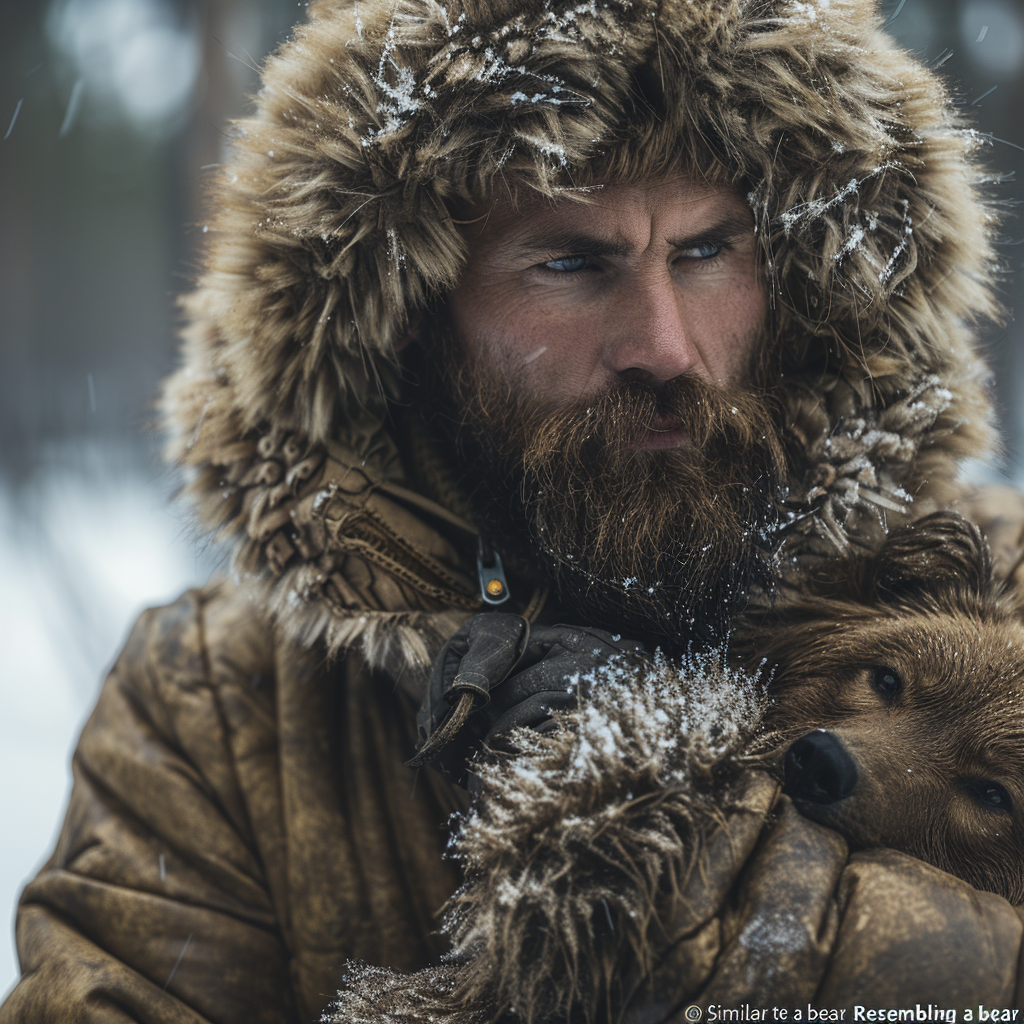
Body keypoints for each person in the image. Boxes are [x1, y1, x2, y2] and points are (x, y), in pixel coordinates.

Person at [4, 0, 1024, 1021]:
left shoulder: (999, 583)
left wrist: (681, 851)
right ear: (406, 317)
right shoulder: (217, 710)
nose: (664, 345)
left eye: (708, 251)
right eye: (572, 263)